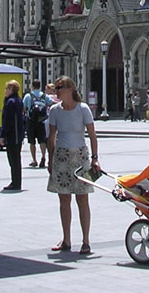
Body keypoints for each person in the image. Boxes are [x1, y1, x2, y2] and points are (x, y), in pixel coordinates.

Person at [47, 76, 99, 255]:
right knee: (64, 200)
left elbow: (92, 135)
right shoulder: (54, 110)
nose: (56, 91)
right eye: (56, 88)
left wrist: (95, 158)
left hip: (80, 157)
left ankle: (86, 241)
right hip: (61, 157)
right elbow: (51, 137)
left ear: (70, 89)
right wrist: (49, 159)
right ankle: (66, 239)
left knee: (82, 199)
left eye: (59, 88)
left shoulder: (83, 109)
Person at [0, 79, 24, 191]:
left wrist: (3, 135)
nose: (5, 91)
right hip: (19, 133)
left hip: (12, 135)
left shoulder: (10, 102)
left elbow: (7, 120)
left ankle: (15, 182)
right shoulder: (19, 100)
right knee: (16, 159)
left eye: (7, 88)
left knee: (13, 159)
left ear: (11, 89)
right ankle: (17, 181)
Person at [23, 79, 51, 167]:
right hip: (41, 121)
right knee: (42, 140)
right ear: (40, 86)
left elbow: (24, 108)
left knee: (32, 141)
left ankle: (34, 160)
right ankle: (43, 157)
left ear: (32, 86)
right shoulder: (44, 96)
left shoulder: (28, 96)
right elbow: (50, 103)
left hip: (31, 121)